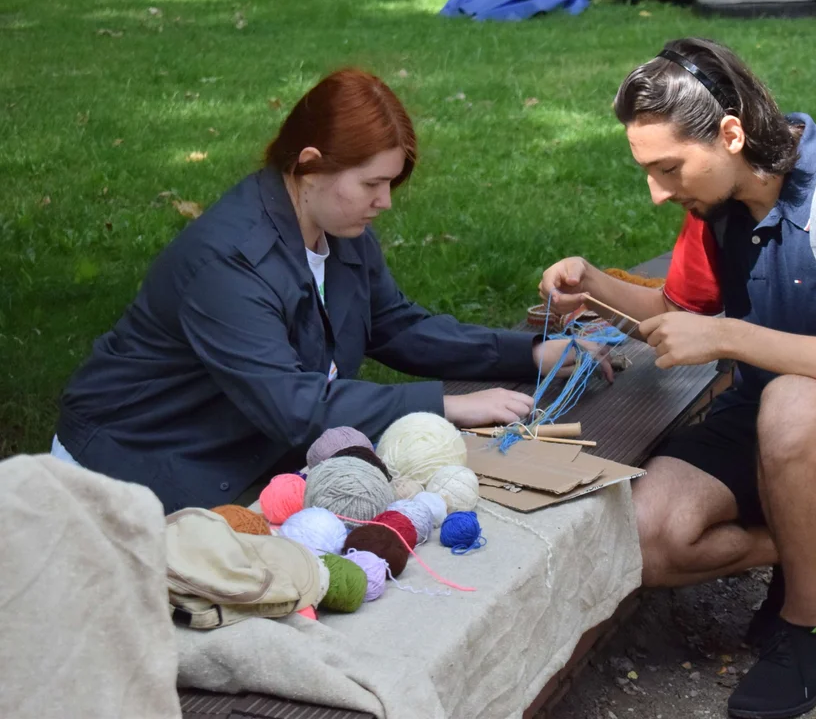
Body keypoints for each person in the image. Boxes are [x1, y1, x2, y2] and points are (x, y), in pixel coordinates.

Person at [540, 38, 816, 719]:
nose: (656, 192)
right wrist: (593, 287)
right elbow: (681, 314)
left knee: (793, 403)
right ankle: (809, 541)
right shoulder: (716, 203)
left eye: (668, 168)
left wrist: (729, 335)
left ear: (729, 134)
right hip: (764, 419)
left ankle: (806, 634)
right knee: (644, 538)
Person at [53, 68, 603, 513]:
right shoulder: (228, 262)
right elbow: (293, 406)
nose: (384, 201)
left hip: (230, 450)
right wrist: (448, 405)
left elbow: (395, 325)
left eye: (389, 183)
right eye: (371, 183)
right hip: (133, 466)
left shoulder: (337, 227)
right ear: (309, 165)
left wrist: (529, 351)